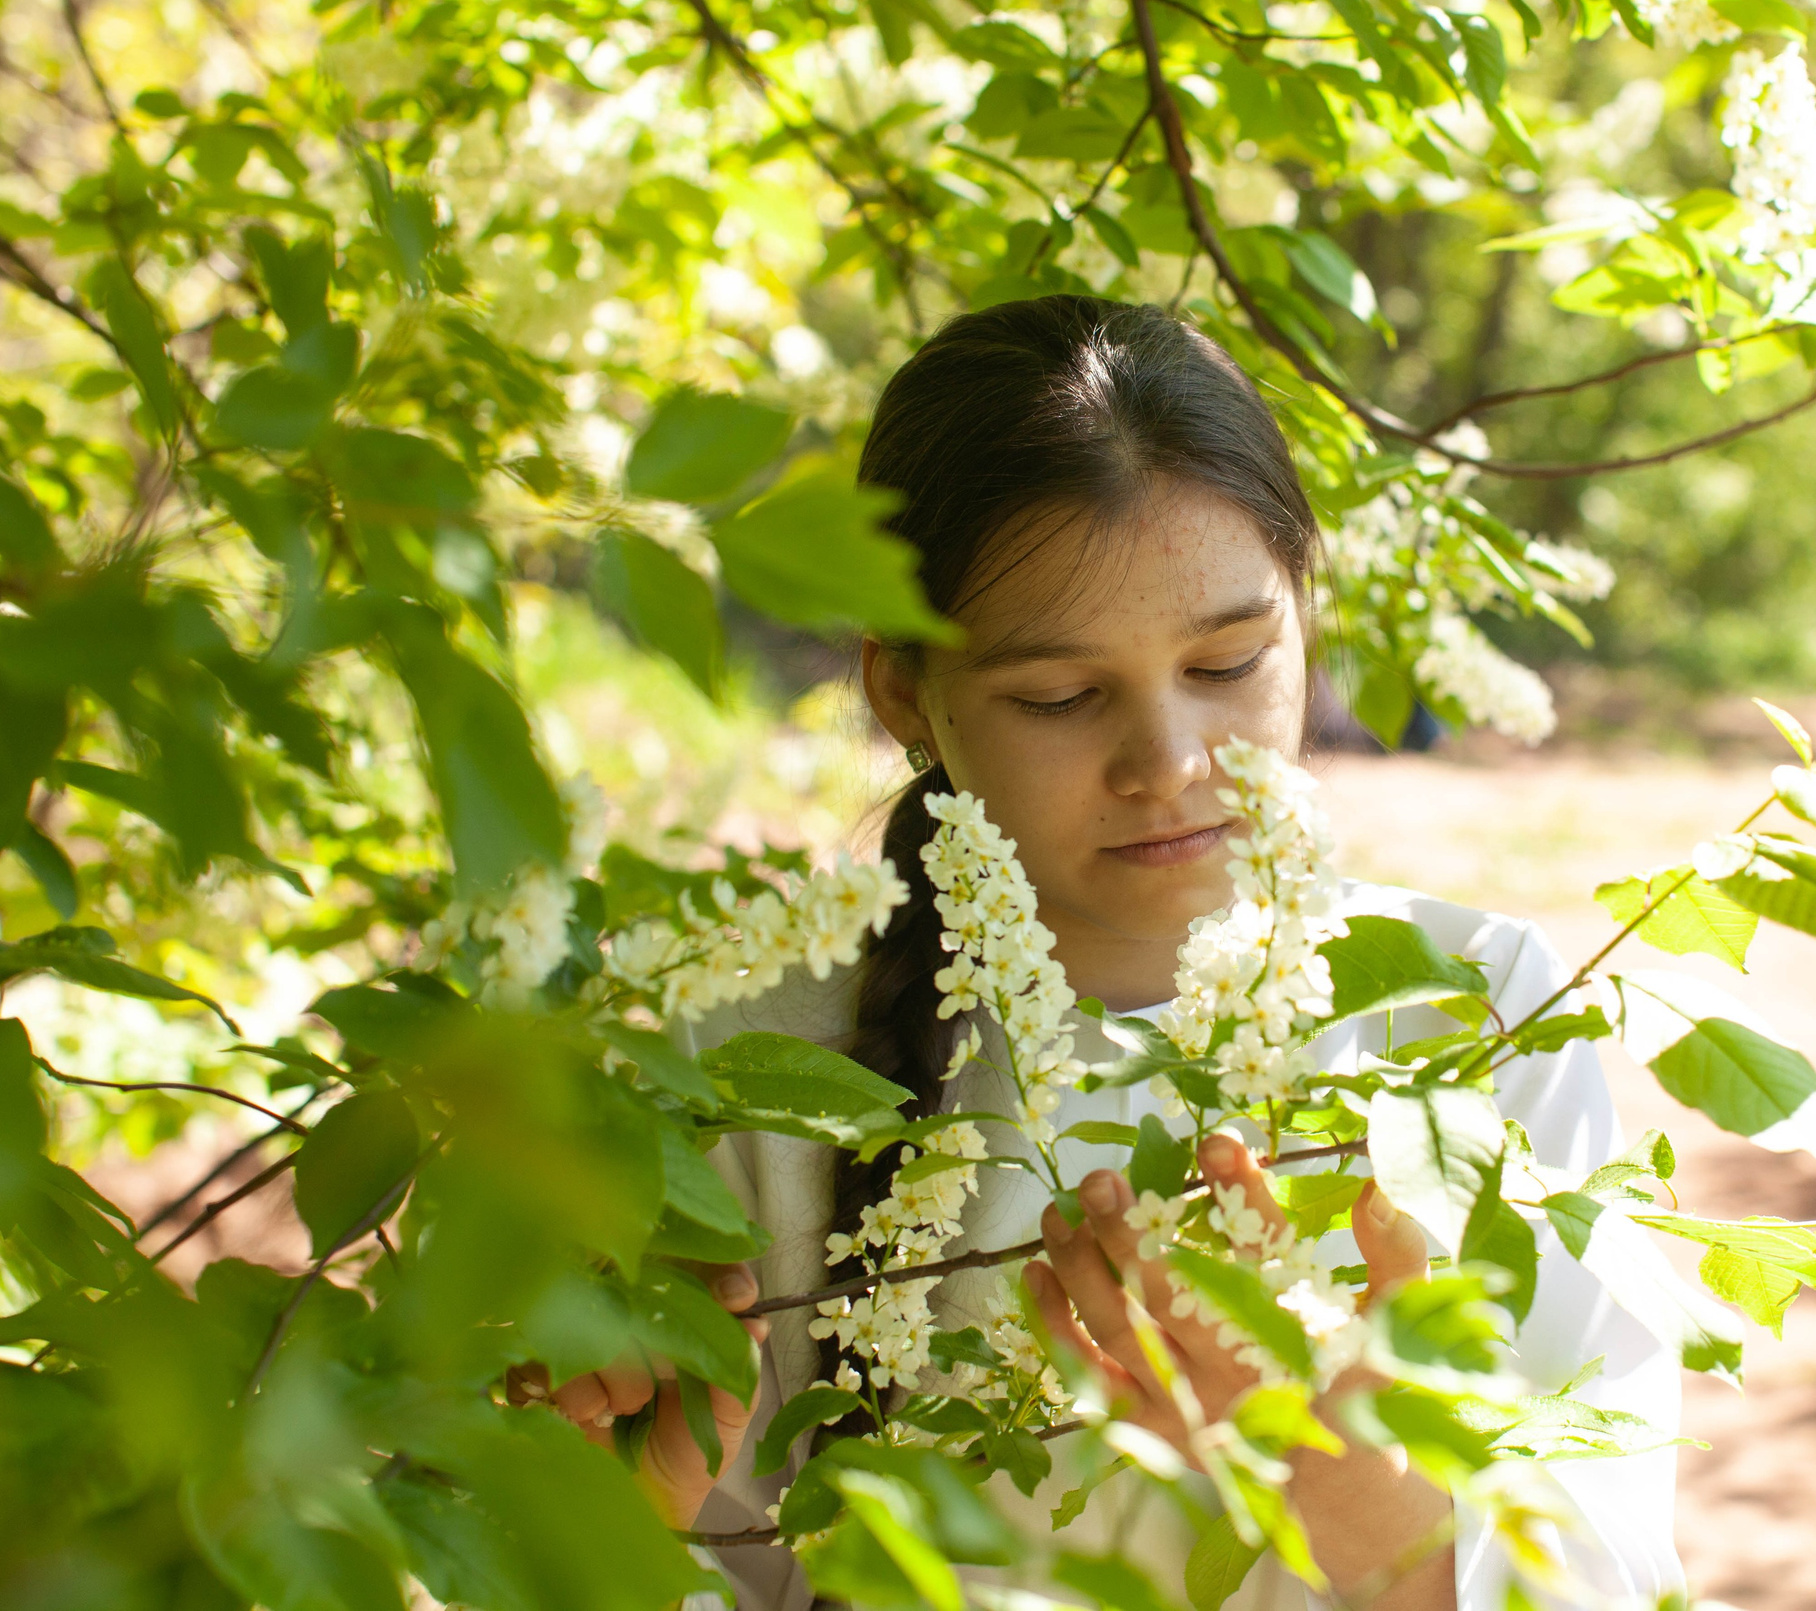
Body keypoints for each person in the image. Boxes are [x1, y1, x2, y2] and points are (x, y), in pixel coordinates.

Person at [553, 297, 1686, 1609]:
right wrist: (613, 1535)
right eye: (1061, 695)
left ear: (1305, 617)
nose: (1170, 764)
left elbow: (1617, 1568)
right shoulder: (737, 1057)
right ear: (905, 692)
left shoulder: (1475, 1013)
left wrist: (1374, 1505)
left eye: (1230, 660)